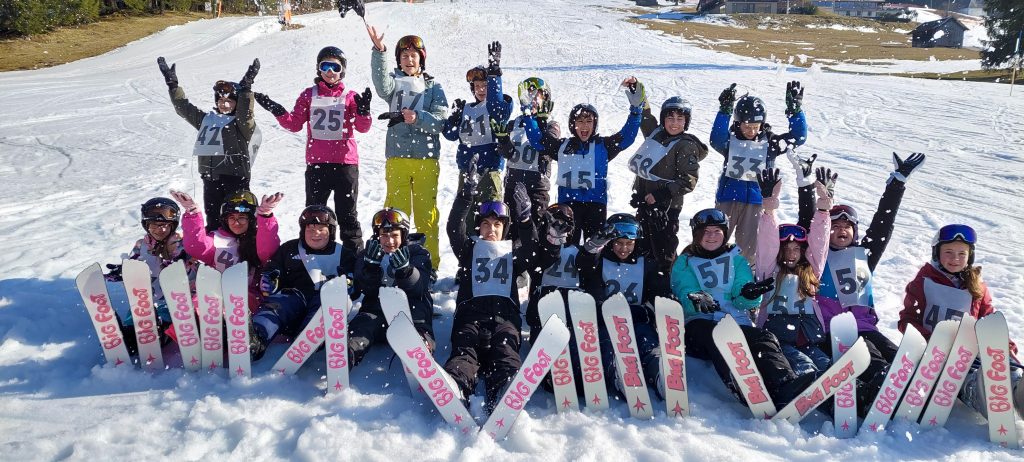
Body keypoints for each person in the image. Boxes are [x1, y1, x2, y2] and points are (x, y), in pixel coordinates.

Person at [670, 208, 817, 409]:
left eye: (717, 231)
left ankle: (784, 383)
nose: (712, 236)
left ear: (725, 233)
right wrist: (694, 299)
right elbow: (684, 287)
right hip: (700, 324)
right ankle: (743, 387)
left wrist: (749, 294)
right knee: (719, 337)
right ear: (697, 234)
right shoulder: (685, 261)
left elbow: (742, 293)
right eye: (706, 231)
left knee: (764, 338)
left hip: (736, 322)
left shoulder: (736, 259)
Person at [815, 154, 927, 387]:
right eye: (835, 226)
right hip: (832, 331)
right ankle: (883, 385)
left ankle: (915, 386)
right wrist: (822, 204)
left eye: (847, 226)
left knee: (896, 356)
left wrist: (896, 184)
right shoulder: (817, 256)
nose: (842, 230)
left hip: (865, 326)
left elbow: (882, 225)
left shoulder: (863, 256)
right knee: (872, 360)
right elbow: (809, 225)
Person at [253, 46, 372, 252]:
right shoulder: (309, 95)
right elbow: (294, 124)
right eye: (325, 66)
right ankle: (313, 254)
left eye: (335, 67)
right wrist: (276, 109)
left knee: (347, 216)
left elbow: (363, 128)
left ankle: (354, 258)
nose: (330, 72)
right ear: (318, 69)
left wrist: (363, 111)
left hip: (345, 165)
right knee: (314, 216)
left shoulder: (350, 96)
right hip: (318, 165)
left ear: (342, 70)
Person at [898, 224, 1024, 418]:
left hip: (974, 346)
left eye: (961, 254)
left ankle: (1018, 390)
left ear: (970, 256)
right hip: (940, 352)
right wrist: (928, 340)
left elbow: (988, 319)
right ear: (937, 253)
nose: (955, 259)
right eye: (948, 252)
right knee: (959, 372)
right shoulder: (923, 282)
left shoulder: (977, 286)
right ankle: (979, 393)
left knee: (1002, 363)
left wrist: (1005, 346)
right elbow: (907, 319)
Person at [443, 179, 537, 413]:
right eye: (485, 224)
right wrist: (465, 196)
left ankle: (505, 389)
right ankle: (457, 386)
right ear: (479, 227)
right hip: (470, 317)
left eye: (497, 225)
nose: (491, 230)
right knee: (465, 351)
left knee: (506, 352)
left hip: (504, 319)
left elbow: (532, 250)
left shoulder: (512, 254)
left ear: (504, 229)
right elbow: (454, 229)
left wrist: (526, 220)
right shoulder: (469, 250)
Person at [524, 77, 644, 245]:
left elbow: (627, 137)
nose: (584, 126)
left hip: (595, 205)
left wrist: (636, 110)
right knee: (566, 247)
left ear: (595, 124)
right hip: (568, 205)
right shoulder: (562, 146)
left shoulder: (603, 146)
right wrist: (528, 115)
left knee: (594, 247)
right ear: (573, 125)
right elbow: (537, 140)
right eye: (580, 121)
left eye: (589, 121)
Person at [367, 26, 449, 271]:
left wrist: (418, 118)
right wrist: (379, 51)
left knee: (426, 215)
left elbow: (440, 122)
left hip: (426, 160)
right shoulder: (394, 84)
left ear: (421, 58)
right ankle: (395, 263)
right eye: (404, 56)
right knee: (396, 216)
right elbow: (381, 85)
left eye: (414, 55)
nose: (409, 60)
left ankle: (429, 266)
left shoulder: (433, 87)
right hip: (397, 159)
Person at [158, 57, 262, 232]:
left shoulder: (242, 125)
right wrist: (173, 86)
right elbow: (184, 108)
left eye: (229, 101)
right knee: (214, 218)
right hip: (210, 178)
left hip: (235, 178)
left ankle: (244, 246)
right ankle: (214, 243)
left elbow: (246, 114)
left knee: (237, 218)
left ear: (237, 103)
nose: (224, 104)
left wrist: (246, 89)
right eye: (221, 100)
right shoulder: (207, 120)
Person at [709, 82, 808, 263]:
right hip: (728, 198)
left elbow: (798, 137)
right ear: (738, 123)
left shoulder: (770, 143)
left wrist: (795, 112)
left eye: (756, 126)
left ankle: (745, 276)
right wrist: (724, 111)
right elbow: (716, 139)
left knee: (748, 251)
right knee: (715, 242)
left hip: (756, 202)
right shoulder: (729, 141)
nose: (751, 131)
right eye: (747, 126)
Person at [576, 213, 673, 399]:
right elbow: (584, 267)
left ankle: (659, 371)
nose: (624, 248)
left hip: (637, 317)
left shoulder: (646, 263)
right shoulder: (600, 261)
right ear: (610, 242)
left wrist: (658, 304)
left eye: (629, 243)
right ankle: (618, 372)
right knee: (609, 344)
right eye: (619, 243)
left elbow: (658, 288)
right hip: (608, 320)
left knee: (648, 341)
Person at [249, 205, 358, 360]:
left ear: (331, 231)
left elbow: (355, 282)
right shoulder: (289, 249)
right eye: (310, 229)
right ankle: (256, 337)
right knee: (277, 305)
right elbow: (273, 268)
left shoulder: (343, 254)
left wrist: (348, 283)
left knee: (324, 304)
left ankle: (308, 339)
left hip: (322, 308)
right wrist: (271, 279)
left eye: (321, 229)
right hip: (291, 305)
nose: (315, 233)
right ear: (303, 230)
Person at [753, 168, 833, 377]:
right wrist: (769, 212)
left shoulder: (811, 270)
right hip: (778, 335)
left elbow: (820, 243)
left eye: (796, 248)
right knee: (801, 363)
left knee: (824, 362)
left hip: (808, 335)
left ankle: (845, 387)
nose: (791, 253)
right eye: (786, 248)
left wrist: (823, 210)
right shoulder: (769, 269)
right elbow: (767, 243)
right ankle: (807, 382)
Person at [104, 198, 199, 353]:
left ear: (172, 225)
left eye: (165, 225)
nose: (160, 230)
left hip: (178, 303)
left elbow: (195, 272)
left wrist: (181, 263)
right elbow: (136, 266)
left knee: (165, 323)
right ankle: (124, 334)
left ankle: (158, 332)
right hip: (149, 300)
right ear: (146, 225)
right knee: (137, 322)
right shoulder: (141, 245)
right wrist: (125, 272)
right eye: (154, 225)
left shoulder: (181, 244)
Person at [628, 93, 708, 272]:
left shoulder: (685, 145)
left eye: (680, 119)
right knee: (643, 246)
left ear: (686, 122)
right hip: (646, 203)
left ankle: (668, 279)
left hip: (666, 208)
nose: (674, 123)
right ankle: (647, 280)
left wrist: (661, 194)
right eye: (670, 118)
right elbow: (646, 117)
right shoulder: (656, 134)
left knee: (664, 250)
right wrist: (636, 91)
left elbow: (688, 180)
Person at [347, 207, 435, 366]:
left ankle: (421, 350)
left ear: (404, 235)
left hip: (411, 310)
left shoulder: (417, 252)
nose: (389, 241)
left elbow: (420, 288)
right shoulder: (367, 254)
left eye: (395, 235)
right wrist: (370, 268)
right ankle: (348, 353)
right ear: (377, 235)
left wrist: (406, 272)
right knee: (362, 324)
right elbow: (363, 289)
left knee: (419, 319)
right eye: (384, 235)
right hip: (376, 310)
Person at [171, 189, 282, 310]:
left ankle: (238, 320)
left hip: (248, 293)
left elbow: (268, 252)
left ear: (250, 219)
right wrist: (192, 213)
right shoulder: (217, 239)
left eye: (242, 217)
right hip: (215, 291)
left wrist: (265, 216)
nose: (236, 223)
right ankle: (191, 319)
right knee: (199, 301)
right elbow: (196, 247)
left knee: (246, 299)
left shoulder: (259, 239)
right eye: (232, 218)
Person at [442, 41, 514, 223]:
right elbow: (450, 134)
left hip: (489, 171)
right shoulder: (466, 109)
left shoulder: (497, 107)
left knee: (490, 217)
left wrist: (494, 73)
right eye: (477, 86)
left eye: (485, 86)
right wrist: (454, 118)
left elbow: (497, 108)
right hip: (467, 172)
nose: (481, 90)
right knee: (466, 220)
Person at [496, 76, 561, 242]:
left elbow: (545, 147)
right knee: (510, 232)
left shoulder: (551, 125)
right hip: (513, 184)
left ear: (545, 99)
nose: (531, 100)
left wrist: (538, 121)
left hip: (537, 188)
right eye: (528, 95)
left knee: (534, 233)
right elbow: (507, 154)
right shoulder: (514, 123)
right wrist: (503, 140)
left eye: (536, 96)